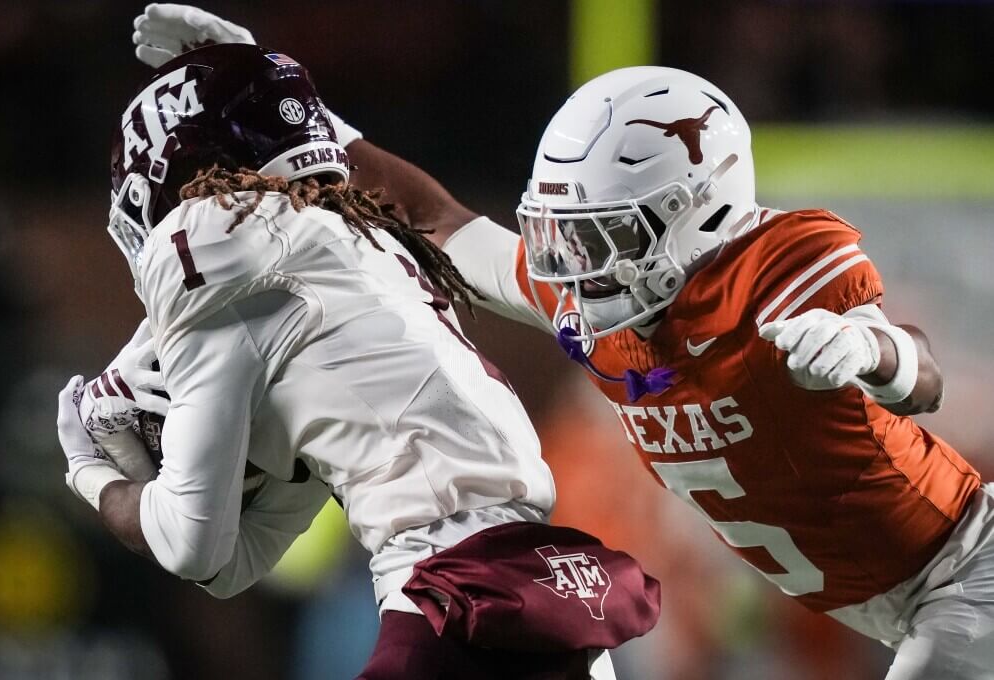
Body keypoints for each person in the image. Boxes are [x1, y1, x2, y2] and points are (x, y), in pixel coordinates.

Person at [127, 6, 994, 679]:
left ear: (700, 216)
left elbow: (918, 373)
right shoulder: (599, 310)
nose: (574, 268)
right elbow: (434, 217)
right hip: (877, 601)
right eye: (564, 235)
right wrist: (279, 104)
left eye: (603, 237)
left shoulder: (772, 273)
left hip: (963, 578)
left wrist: (872, 354)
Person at [55, 42, 662, 680]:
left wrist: (89, 472)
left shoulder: (206, 240)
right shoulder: (360, 258)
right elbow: (232, 566)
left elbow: (189, 544)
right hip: (547, 592)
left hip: (452, 601)